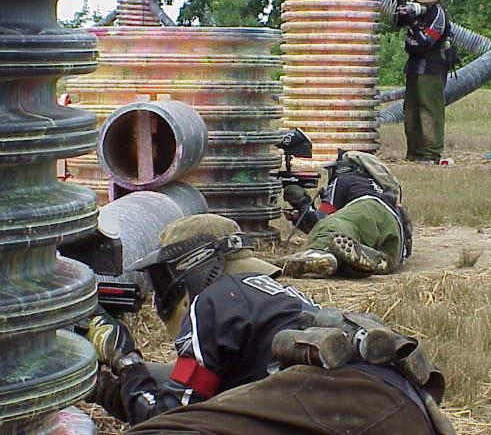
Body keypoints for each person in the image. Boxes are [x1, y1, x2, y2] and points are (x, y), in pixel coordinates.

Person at [87, 213, 319, 426]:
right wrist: (108, 389)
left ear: (190, 267)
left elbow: (169, 423)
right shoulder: (285, 295)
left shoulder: (213, 301)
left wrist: (126, 360)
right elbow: (207, 397)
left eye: (162, 277)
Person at [122, 309, 456, 435]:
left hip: (356, 395)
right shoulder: (273, 299)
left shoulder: (215, 299)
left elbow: (168, 412)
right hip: (401, 397)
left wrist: (128, 367)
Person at [282, 150, 411, 278]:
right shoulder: (381, 188)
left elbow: (319, 221)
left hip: (366, 208)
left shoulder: (344, 179)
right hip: (395, 231)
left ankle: (318, 254)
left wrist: (302, 201)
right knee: (344, 255)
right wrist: (298, 218)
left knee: (329, 226)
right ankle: (382, 261)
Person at [396, 0, 451, 164]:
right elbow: (398, 23)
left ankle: (431, 154)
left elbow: (426, 42)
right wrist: (401, 9)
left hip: (432, 68)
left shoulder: (438, 14)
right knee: (411, 111)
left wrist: (413, 22)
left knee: (429, 110)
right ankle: (415, 153)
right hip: (414, 66)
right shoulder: (417, 6)